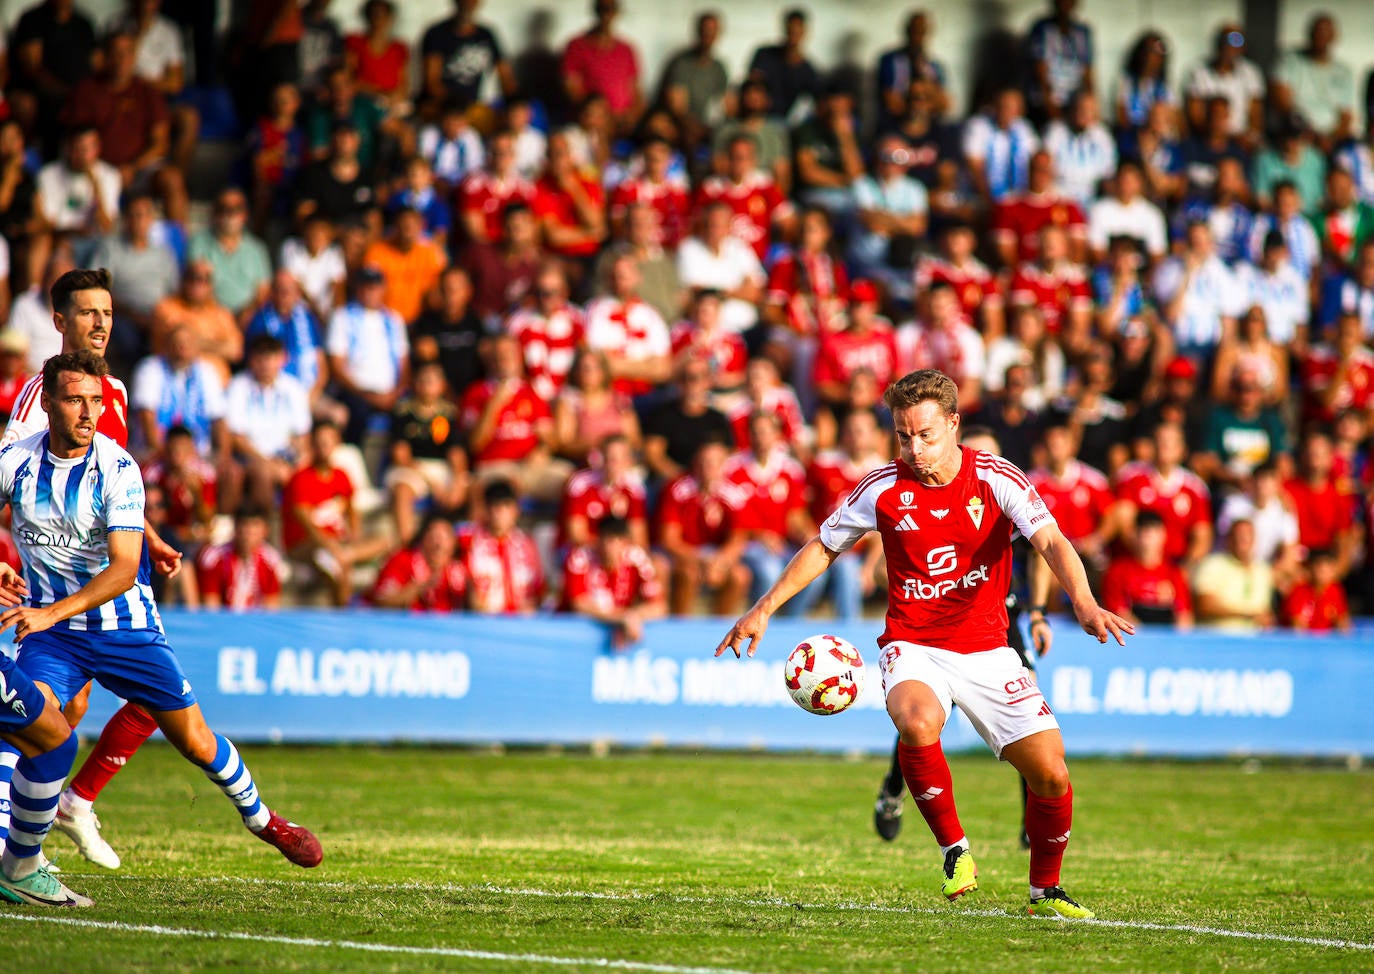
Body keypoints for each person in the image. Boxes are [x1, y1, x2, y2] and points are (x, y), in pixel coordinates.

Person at [716, 369, 1132, 919]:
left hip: (986, 647)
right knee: (915, 721)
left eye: (926, 435)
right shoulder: (883, 488)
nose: (913, 449)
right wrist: (762, 608)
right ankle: (955, 851)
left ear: (954, 425)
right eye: (903, 436)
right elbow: (822, 547)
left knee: (1052, 773)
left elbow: (1050, 539)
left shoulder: (996, 479)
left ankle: (1044, 892)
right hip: (913, 643)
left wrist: (1082, 600)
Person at [0, 350, 322, 907]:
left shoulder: (117, 467)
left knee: (196, 742)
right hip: (54, 636)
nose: (88, 412)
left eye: (96, 401)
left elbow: (126, 568)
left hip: (126, 628)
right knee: (38, 726)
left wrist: (50, 611)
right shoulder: (15, 461)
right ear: (47, 402)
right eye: (75, 400)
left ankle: (264, 820)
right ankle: (19, 858)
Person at [872, 424, 1052, 847]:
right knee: (921, 719)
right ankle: (895, 787)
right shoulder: (927, 492)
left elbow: (1046, 550)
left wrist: (1039, 613)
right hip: (933, 630)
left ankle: (1032, 819)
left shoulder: (1006, 487)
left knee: (1031, 716)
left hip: (998, 623)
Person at [561, 515, 665, 650]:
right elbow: (579, 604)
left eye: (618, 541)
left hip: (617, 631)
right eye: (608, 540)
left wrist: (633, 617)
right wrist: (621, 618)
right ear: (597, 540)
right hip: (573, 633)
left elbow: (658, 607)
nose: (611, 548)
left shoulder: (637, 559)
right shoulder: (581, 558)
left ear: (627, 543)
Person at [1100, 511, 1194, 628]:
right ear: (1135, 535)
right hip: (1131, 639)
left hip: (1167, 639)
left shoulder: (1174, 574)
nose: (1149, 537)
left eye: (1154, 531)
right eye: (1144, 531)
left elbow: (1184, 617)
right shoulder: (1117, 572)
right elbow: (1118, 613)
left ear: (1163, 535)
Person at [195, 505, 287, 611]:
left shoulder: (271, 560)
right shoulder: (214, 557)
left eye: (255, 525)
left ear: (265, 530)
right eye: (244, 525)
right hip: (222, 623)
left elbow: (271, 607)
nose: (248, 532)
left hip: (257, 624)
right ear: (235, 527)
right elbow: (210, 606)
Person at [369, 514, 468, 612]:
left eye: (445, 538)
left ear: (454, 544)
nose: (438, 545)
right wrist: (417, 589)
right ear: (423, 539)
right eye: (434, 536)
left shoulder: (461, 570)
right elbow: (380, 600)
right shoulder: (402, 560)